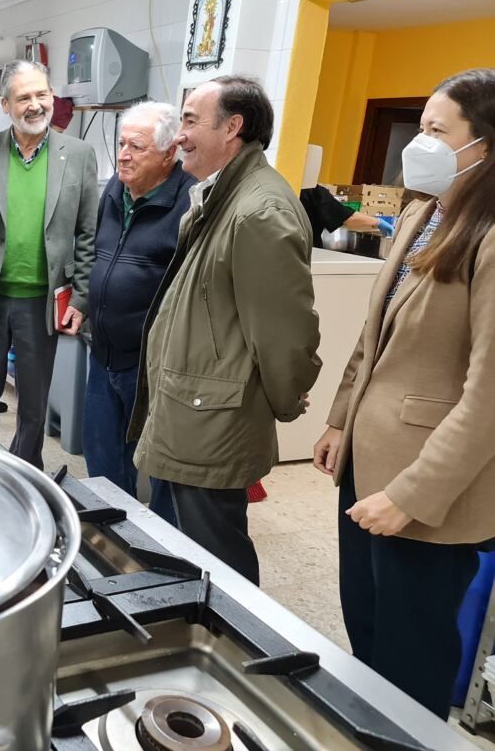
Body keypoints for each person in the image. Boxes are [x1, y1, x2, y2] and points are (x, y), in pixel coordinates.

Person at [312, 68, 495, 719]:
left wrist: (411, 496)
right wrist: (340, 422)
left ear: (486, 145)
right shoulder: (424, 212)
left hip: (426, 491)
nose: (420, 145)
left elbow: (488, 399)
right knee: (368, 626)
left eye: (438, 132)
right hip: (369, 464)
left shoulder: (490, 235)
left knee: (411, 652)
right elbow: (374, 334)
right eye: (420, 128)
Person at [128, 75, 321, 584]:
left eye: (190, 120)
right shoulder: (222, 194)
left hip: (214, 414)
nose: (179, 135)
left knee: (219, 553)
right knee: (191, 542)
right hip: (194, 403)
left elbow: (285, 331)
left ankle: (239, 651)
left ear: (232, 127)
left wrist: (285, 398)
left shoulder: (259, 210)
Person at [0, 60, 97, 468]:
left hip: (41, 299)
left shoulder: (78, 155)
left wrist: (80, 298)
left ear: (52, 98)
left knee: (33, 398)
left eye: (42, 95)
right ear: (7, 105)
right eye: (24, 97)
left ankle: (26, 470)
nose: (35, 105)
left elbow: (87, 234)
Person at [82, 101, 193, 498]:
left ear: (168, 154)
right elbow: (99, 254)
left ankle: (163, 553)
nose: (124, 155)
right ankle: (110, 543)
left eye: (137, 147)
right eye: (122, 144)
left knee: (161, 468)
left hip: (152, 363)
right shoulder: (116, 188)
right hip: (103, 350)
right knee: (101, 456)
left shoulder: (190, 202)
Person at [299, 183, 393, 248]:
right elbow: (349, 218)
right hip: (308, 251)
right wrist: (379, 222)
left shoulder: (288, 189)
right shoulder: (313, 191)